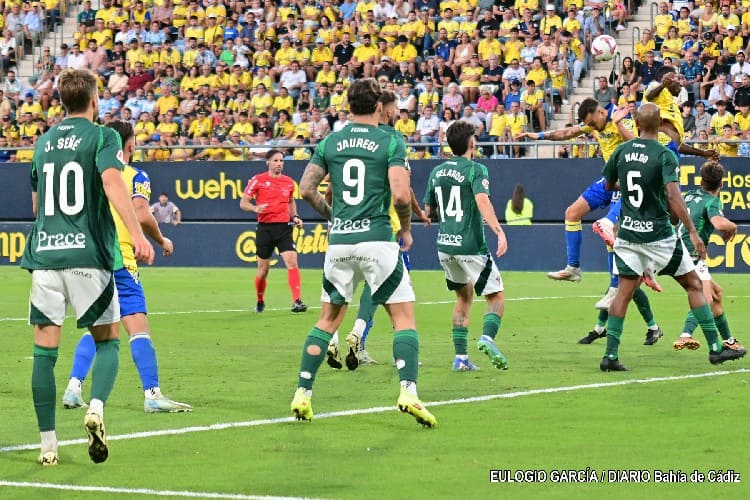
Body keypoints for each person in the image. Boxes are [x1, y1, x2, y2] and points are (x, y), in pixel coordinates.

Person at [20, 68, 154, 465]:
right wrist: (139, 234)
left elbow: (36, 206)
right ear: (95, 100)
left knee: (44, 355)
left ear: (62, 101)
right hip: (88, 256)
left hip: (46, 256)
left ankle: (48, 445)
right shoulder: (103, 136)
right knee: (108, 340)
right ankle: (95, 408)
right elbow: (113, 184)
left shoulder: (43, 142)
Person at [290, 78, 436, 427]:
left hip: (339, 241)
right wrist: (405, 228)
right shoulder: (390, 140)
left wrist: (334, 216)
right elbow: (400, 194)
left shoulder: (330, 141)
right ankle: (408, 392)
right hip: (377, 239)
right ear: (378, 107)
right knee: (403, 318)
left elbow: (306, 189)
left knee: (327, 321)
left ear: (348, 106)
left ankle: (302, 393)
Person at [599, 103, 746, 371]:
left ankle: (610, 355)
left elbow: (609, 185)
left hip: (628, 233)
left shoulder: (621, 150)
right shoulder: (665, 154)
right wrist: (693, 231)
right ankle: (716, 348)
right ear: (660, 126)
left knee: (624, 293)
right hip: (658, 235)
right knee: (694, 285)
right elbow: (673, 195)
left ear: (637, 124)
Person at [62, 121, 192, 415]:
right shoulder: (134, 175)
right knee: (137, 326)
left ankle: (73, 388)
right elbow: (143, 214)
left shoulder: (90, 174)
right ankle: (152, 394)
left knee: (100, 327)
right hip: (119, 257)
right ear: (130, 145)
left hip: (88, 258)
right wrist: (161, 239)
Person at [325, 90, 430, 369]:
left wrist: (334, 216)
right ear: (386, 109)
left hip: (345, 226)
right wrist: (415, 219)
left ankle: (332, 337)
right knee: (395, 294)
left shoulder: (345, 139)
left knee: (339, 288)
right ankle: (371, 341)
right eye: (396, 108)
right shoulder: (392, 139)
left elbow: (329, 188)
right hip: (383, 228)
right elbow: (403, 189)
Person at [424, 121, 510, 371]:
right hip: (470, 245)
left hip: (445, 245)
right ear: (472, 143)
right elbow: (482, 201)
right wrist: (499, 231)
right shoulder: (476, 169)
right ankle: (487, 338)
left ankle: (460, 358)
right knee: (496, 296)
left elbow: (429, 211)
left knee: (464, 296)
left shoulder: (436, 172)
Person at [672, 161, 745, 354]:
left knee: (716, 293)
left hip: (677, 248)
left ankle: (729, 341)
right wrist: (733, 226)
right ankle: (685, 335)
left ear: (700, 181)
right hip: (692, 254)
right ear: (721, 184)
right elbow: (719, 224)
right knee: (705, 298)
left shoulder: (689, 195)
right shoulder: (712, 201)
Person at [240, 149, 307, 313]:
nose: (279, 164)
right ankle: (260, 300)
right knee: (263, 270)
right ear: (268, 162)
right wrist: (255, 208)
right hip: (265, 229)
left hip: (283, 228)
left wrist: (295, 217)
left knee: (292, 261)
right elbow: (243, 203)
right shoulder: (258, 180)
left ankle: (297, 301)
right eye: (276, 160)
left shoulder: (289, 182)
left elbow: (290, 202)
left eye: (281, 161)